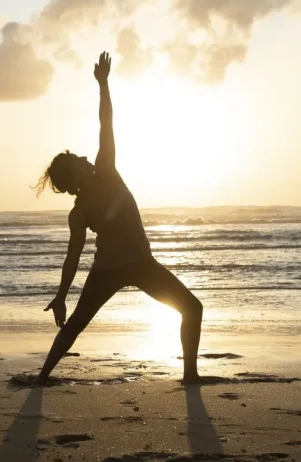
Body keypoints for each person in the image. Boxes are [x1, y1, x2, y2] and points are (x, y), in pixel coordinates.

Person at [31, 52, 204, 385]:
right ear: (75, 172)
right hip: (108, 272)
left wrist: (104, 84)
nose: (83, 155)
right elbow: (73, 256)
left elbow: (105, 121)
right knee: (77, 324)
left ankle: (190, 375)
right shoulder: (82, 208)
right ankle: (41, 378)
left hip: (140, 264)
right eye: (77, 158)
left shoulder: (107, 170)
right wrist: (61, 295)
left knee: (192, 309)